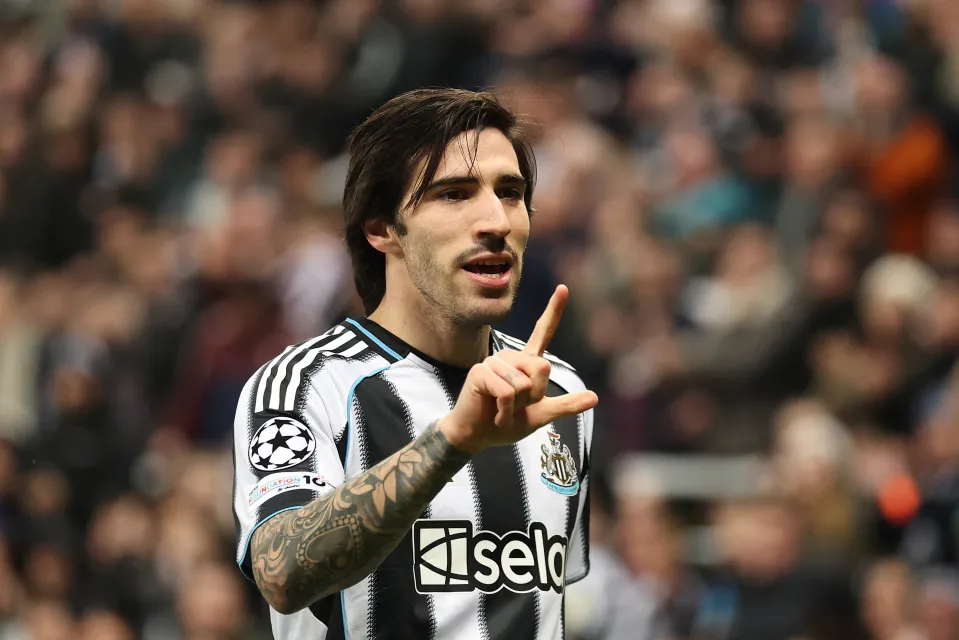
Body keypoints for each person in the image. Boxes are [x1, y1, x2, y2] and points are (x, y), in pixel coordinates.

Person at [231, 88, 599, 640]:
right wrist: (452, 440)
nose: (496, 219)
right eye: (454, 194)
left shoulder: (558, 392)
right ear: (381, 228)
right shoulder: (308, 385)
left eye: (512, 192)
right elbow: (282, 571)